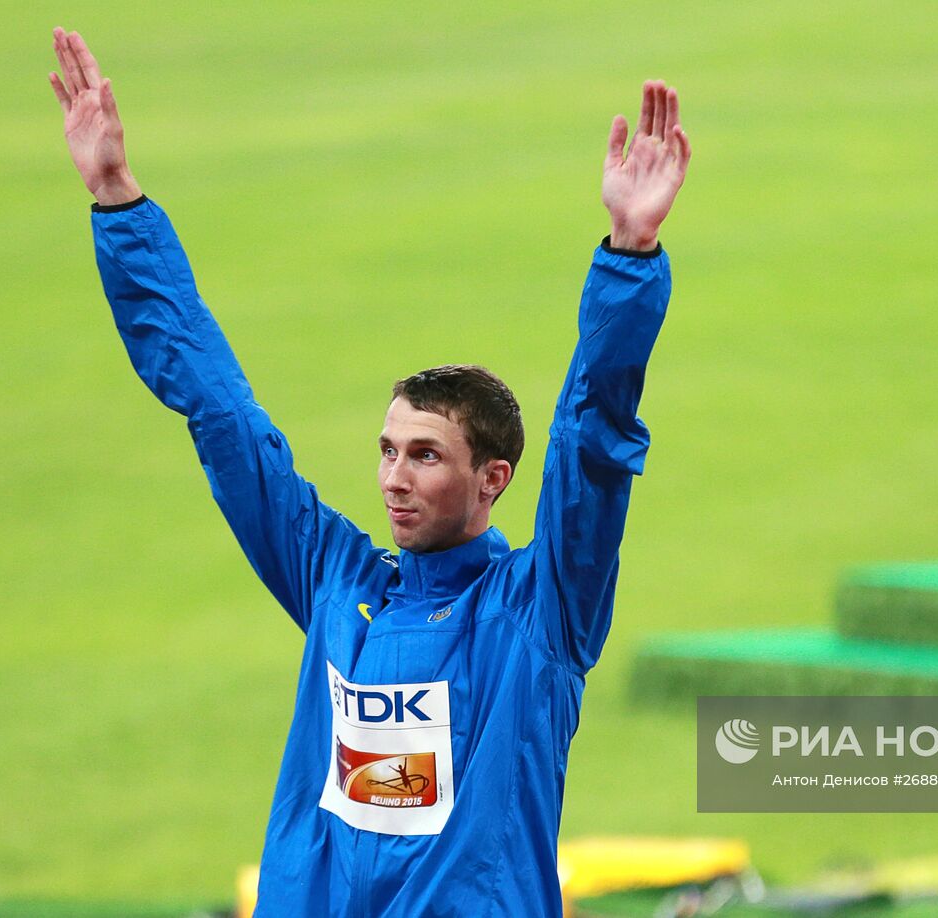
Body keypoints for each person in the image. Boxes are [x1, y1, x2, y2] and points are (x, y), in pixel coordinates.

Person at [50, 27, 691, 916]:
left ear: (493, 478)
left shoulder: (537, 611)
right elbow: (223, 414)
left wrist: (628, 257)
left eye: (425, 455)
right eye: (387, 450)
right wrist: (120, 202)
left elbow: (593, 445)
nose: (393, 476)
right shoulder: (336, 580)